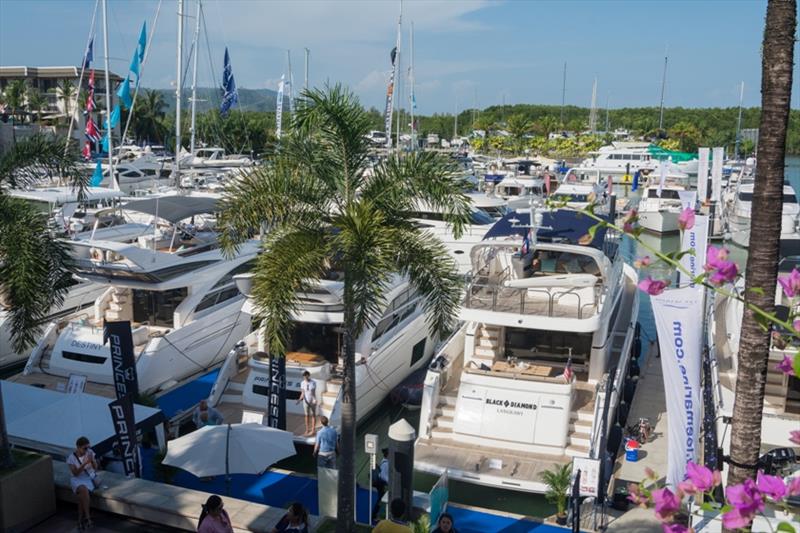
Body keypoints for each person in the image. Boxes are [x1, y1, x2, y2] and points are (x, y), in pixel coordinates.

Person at [67, 436, 99, 531]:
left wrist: (92, 460)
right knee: (83, 490)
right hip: (77, 479)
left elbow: (95, 468)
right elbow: (75, 473)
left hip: (88, 478)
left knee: (82, 497)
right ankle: (88, 518)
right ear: (78, 447)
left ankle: (80, 520)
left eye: (88, 447)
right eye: (85, 448)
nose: (87, 449)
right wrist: (84, 463)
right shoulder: (71, 458)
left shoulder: (90, 453)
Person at [371, 448, 389, 522]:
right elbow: (383, 476)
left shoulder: (385, 461)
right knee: (379, 501)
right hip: (380, 485)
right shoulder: (386, 464)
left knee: (379, 500)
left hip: (380, 485)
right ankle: (374, 516)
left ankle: (375, 515)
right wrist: (389, 482)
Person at [297, 371, 317, 436]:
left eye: (306, 375)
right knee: (306, 416)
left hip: (312, 401)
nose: (305, 377)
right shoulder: (302, 383)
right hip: (305, 401)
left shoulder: (313, 382)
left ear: (308, 375)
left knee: (313, 415)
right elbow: (302, 393)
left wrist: (314, 400)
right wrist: (299, 399)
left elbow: (313, 393)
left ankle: (313, 429)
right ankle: (307, 429)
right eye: (304, 376)